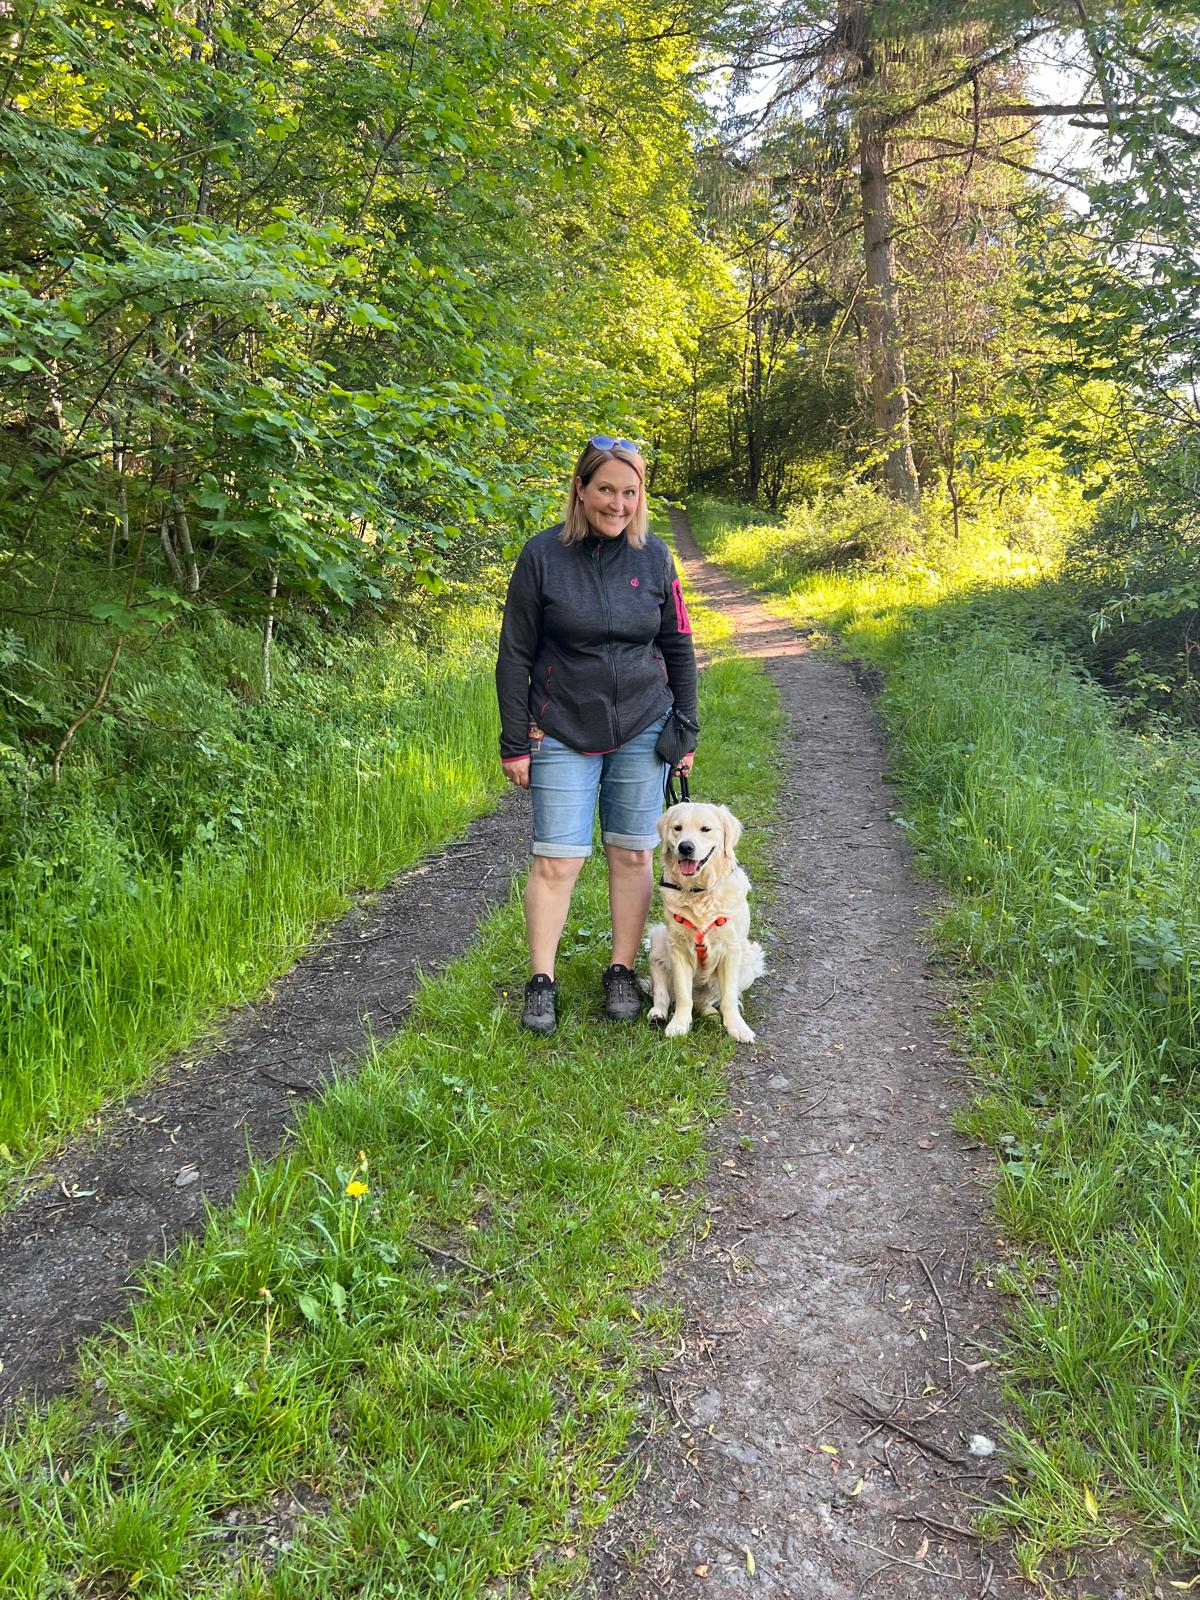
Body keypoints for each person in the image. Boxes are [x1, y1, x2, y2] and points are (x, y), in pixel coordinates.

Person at [496, 436, 698, 1035]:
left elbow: (678, 644)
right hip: (560, 724)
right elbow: (514, 654)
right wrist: (514, 739)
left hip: (643, 722)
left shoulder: (656, 557)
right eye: (605, 489)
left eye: (629, 492)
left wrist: (684, 725)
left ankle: (621, 970)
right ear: (580, 490)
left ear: (641, 497)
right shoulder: (541, 557)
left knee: (634, 852)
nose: (617, 504)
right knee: (557, 860)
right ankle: (541, 980)